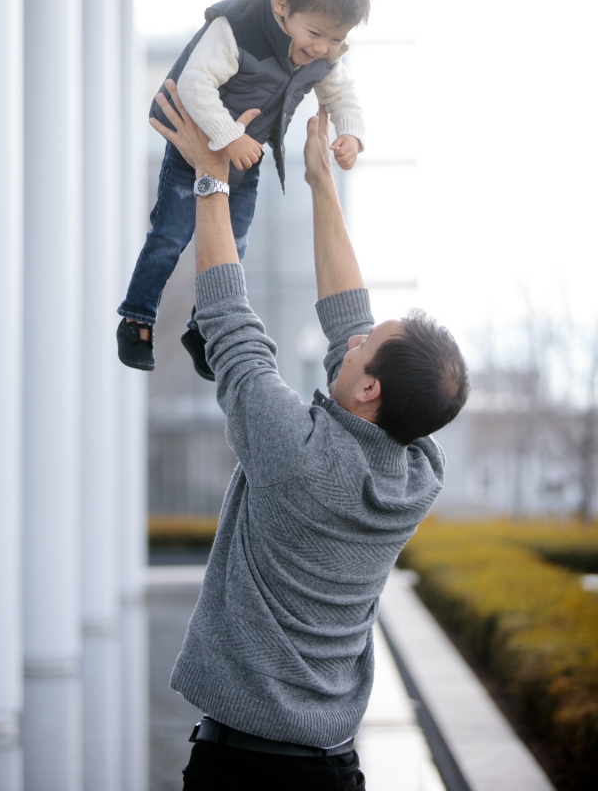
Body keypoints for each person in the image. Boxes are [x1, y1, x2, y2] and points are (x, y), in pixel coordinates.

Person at [150, 81, 469, 791]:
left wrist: (208, 176)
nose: (353, 336)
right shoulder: (417, 470)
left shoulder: (295, 456)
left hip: (242, 771)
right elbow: (348, 319)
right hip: (331, 769)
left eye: (364, 346)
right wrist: (323, 183)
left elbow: (230, 323)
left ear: (368, 390)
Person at [116, 0, 372, 378]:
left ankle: (203, 327)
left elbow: (343, 94)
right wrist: (229, 136)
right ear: (281, 5)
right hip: (193, 143)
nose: (325, 48)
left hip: (243, 159)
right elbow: (195, 84)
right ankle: (137, 317)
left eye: (338, 39)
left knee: (234, 246)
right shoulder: (237, 29)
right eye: (317, 33)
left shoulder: (322, 52)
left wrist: (351, 133)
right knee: (171, 236)